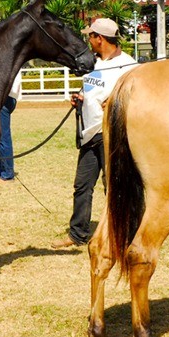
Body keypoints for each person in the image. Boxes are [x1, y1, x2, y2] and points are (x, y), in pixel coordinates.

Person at [51, 18, 136, 249]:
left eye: (90, 35)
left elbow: (139, 98)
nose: (87, 39)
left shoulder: (129, 66)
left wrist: (119, 102)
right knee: (82, 185)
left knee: (114, 186)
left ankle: (123, 233)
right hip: (90, 134)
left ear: (100, 38)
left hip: (113, 135)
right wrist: (81, 98)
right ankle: (78, 234)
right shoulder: (93, 63)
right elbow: (92, 89)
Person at [0, 70, 22, 182]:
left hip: (5, 98)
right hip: (8, 97)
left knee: (4, 137)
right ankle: (1, 171)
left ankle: (7, 174)